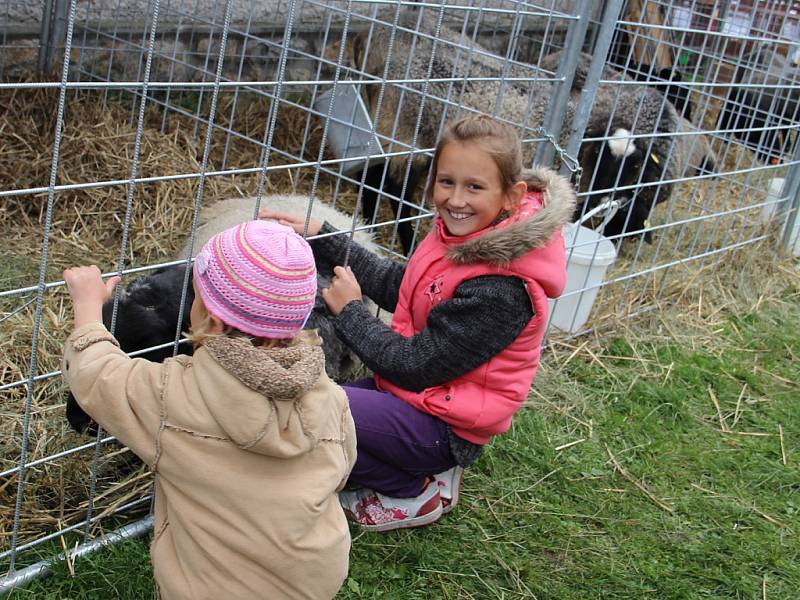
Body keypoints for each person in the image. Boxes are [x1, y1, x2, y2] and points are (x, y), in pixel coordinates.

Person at [261, 115, 576, 532]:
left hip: (444, 424)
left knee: (317, 408)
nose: (456, 199)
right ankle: (404, 462)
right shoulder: (461, 236)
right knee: (317, 406)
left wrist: (351, 312)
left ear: (512, 196)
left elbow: (415, 365)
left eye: (475, 187)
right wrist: (325, 239)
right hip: (420, 400)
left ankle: (412, 489)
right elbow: (403, 286)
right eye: (446, 182)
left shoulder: (502, 288)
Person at [61, 220, 357, 600]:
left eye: (196, 296)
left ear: (211, 321)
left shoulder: (173, 395)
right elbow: (342, 467)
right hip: (313, 581)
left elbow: (97, 375)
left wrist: (88, 309)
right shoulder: (332, 397)